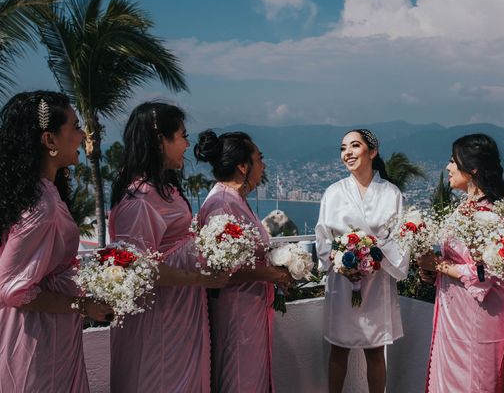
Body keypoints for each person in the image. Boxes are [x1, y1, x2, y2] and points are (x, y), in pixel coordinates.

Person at [109, 102, 227, 392]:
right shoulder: (141, 198)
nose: (188, 144)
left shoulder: (165, 189)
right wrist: (201, 278)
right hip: (159, 314)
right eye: (182, 136)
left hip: (181, 308)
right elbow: (135, 266)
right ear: (161, 140)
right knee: (160, 377)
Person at [0, 91, 112, 392]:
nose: (82, 134)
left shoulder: (38, 195)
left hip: (51, 336)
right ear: (49, 140)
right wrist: (84, 306)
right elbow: (11, 288)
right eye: (75, 127)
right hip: (35, 341)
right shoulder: (41, 207)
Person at [195, 129, 292, 393]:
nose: (263, 166)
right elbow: (218, 269)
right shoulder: (221, 204)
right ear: (242, 166)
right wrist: (270, 274)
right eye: (259, 159)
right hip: (236, 310)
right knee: (240, 378)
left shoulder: (234, 200)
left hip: (251, 308)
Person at [315, 129, 408, 393]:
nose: (348, 153)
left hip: (377, 279)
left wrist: (373, 256)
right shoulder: (333, 192)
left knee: (376, 351)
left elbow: (398, 237)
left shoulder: (391, 193)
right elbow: (323, 235)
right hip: (341, 281)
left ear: (373, 151)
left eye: (355, 146)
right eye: (343, 148)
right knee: (338, 348)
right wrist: (340, 261)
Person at [419, 134, 504, 393]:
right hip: (454, 311)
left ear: (472, 169)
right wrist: (432, 272)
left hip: (480, 313)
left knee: (473, 379)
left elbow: (485, 273)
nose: (448, 168)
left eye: (452, 161)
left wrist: (438, 265)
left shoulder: (490, 215)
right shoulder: (465, 209)